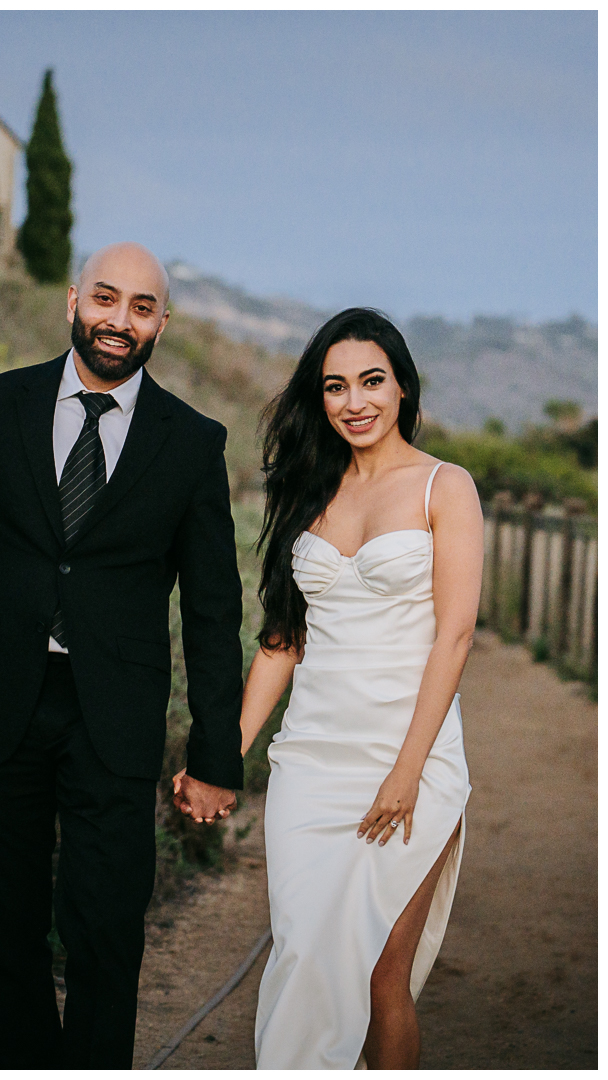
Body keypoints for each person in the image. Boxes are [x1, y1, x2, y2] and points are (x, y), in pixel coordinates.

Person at [0, 242, 243, 1070]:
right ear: (72, 301)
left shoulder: (192, 444)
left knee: (107, 930)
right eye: (106, 299)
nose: (119, 321)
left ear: (163, 322)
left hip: (113, 719)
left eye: (141, 307)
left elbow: (212, 609)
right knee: (7, 929)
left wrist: (215, 754)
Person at [239, 308, 482, 1069]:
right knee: (303, 955)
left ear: (403, 387)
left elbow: (455, 635)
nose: (355, 401)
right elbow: (283, 641)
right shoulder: (309, 489)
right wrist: (224, 753)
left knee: (382, 974)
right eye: (335, 386)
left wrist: (407, 772)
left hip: (408, 759)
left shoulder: (447, 486)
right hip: (309, 764)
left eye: (371, 381)